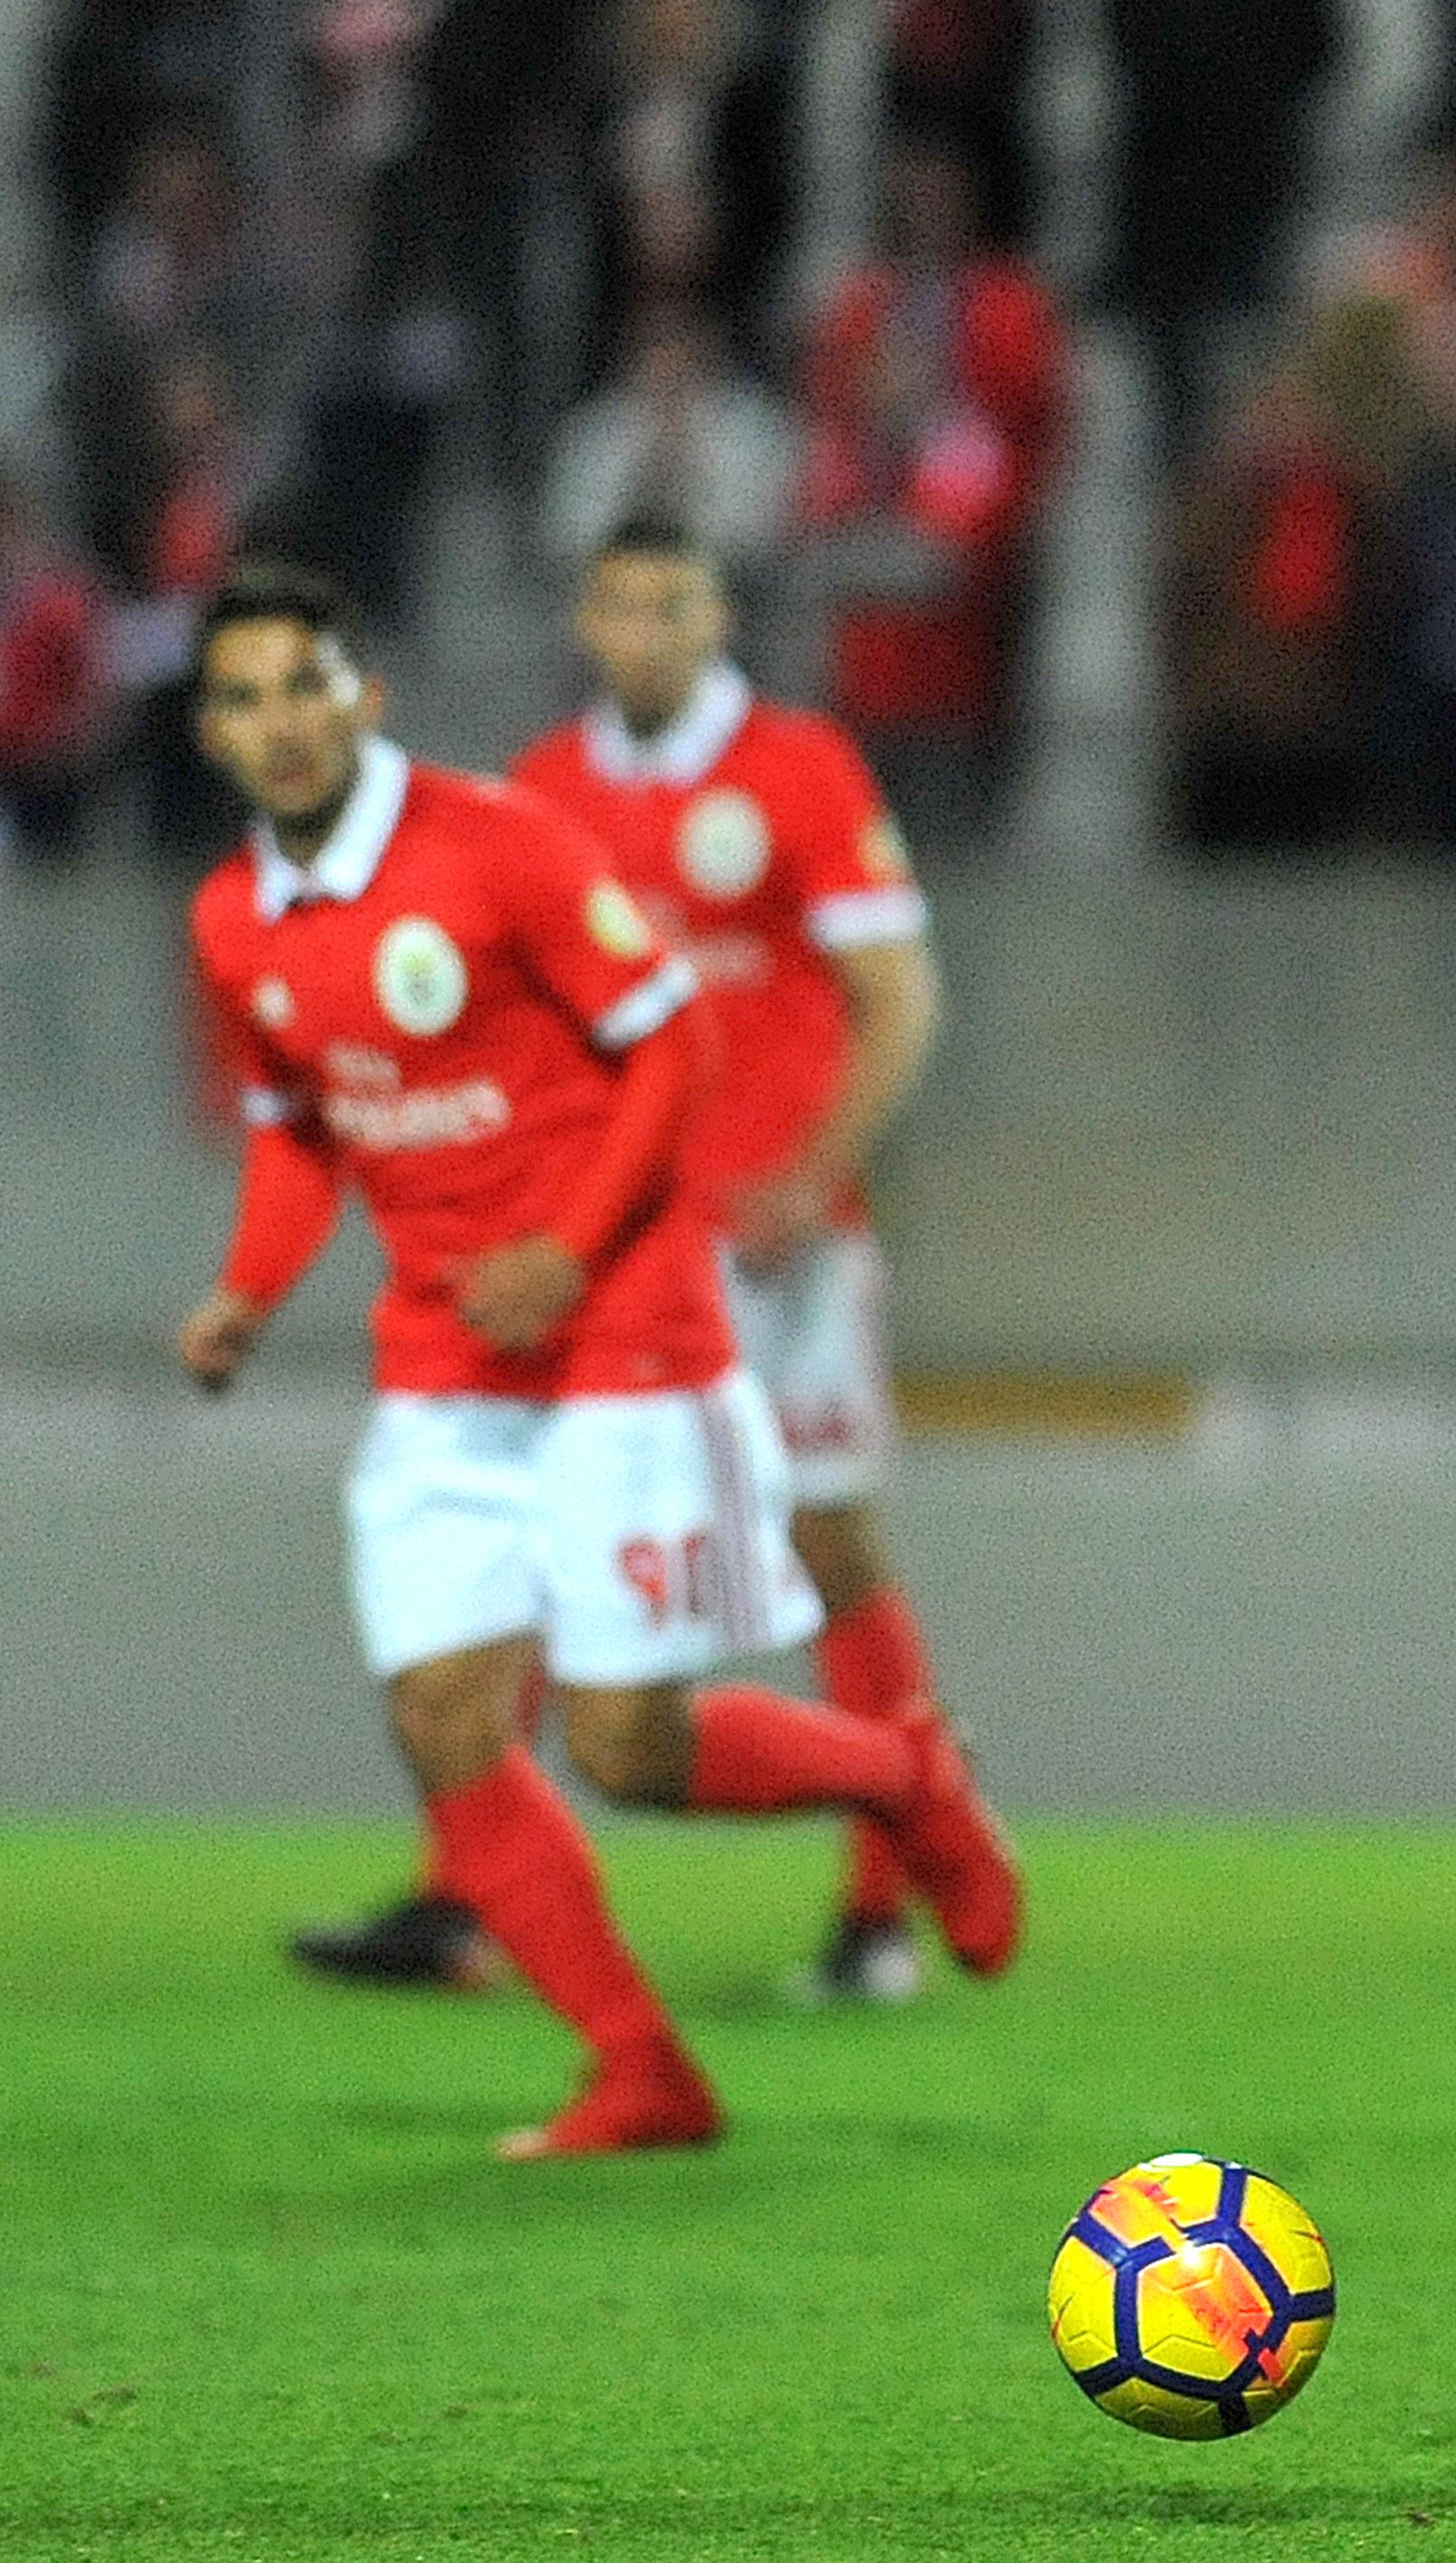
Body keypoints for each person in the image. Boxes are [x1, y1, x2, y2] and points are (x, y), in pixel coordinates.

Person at [176, 559, 1019, 2158]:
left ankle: (902, 1778)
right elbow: (298, 1128)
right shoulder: (234, 921)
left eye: (304, 685)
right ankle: (643, 2070)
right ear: (209, 732)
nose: (279, 723)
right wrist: (245, 1291)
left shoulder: (498, 840)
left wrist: (567, 1249)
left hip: (625, 1332)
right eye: (241, 699)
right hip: (448, 1360)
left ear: (366, 696)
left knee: (628, 1744)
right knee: (444, 1715)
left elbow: (670, 1042)